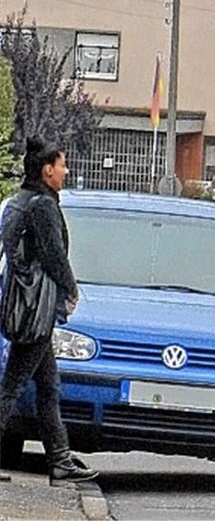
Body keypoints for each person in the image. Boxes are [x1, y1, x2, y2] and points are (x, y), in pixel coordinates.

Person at [0, 138, 98, 484]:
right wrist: (71, 289)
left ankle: (60, 461)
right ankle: (59, 462)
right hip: (37, 309)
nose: (66, 171)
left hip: (24, 304)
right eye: (62, 165)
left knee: (48, 385)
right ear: (47, 170)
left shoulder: (17, 202)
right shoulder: (42, 205)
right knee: (12, 384)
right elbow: (54, 255)